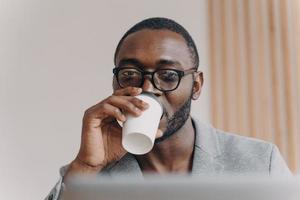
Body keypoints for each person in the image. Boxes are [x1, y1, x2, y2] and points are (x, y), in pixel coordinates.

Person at [45, 17, 291, 200]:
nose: (147, 88)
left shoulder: (259, 163)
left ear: (196, 85)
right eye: (130, 74)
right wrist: (86, 167)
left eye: (168, 75)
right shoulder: (93, 173)